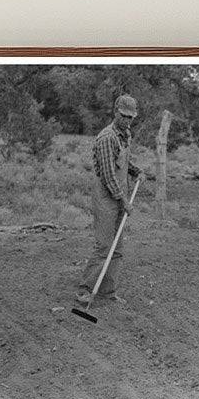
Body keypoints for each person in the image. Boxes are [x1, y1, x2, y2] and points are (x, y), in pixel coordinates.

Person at [76, 94, 143, 306]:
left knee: (118, 248)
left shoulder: (125, 134)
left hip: (119, 195)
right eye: (124, 116)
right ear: (115, 112)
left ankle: (108, 291)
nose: (127, 120)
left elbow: (123, 161)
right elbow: (107, 175)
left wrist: (136, 171)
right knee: (104, 246)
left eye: (131, 117)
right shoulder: (106, 138)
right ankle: (84, 290)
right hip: (106, 198)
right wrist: (124, 201)